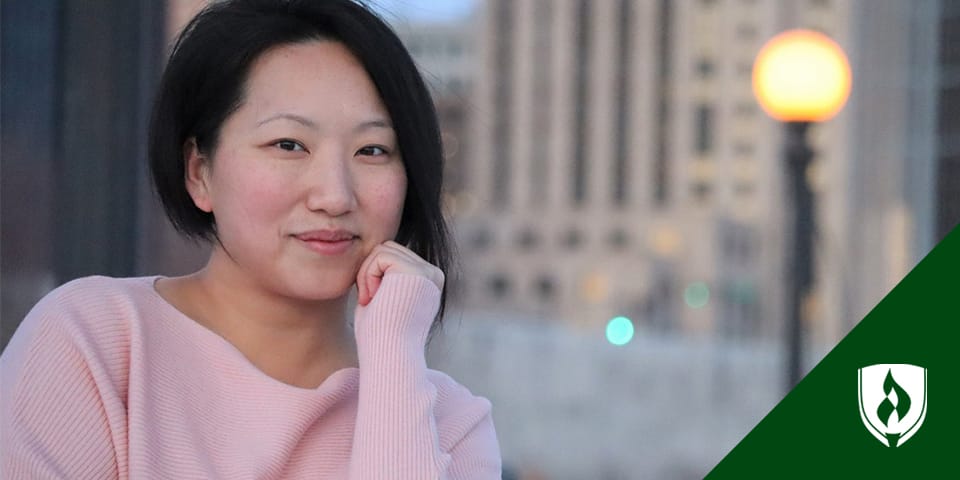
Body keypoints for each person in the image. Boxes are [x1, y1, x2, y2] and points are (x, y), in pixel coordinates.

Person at [0, 0, 502, 478]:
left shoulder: (451, 426)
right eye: (288, 145)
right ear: (199, 172)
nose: (334, 195)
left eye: (372, 150)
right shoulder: (95, 342)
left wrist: (393, 359)